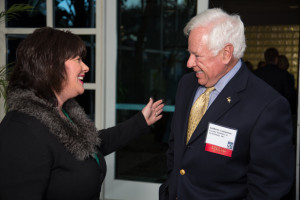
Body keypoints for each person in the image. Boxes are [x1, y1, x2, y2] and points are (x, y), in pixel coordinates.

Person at [0, 27, 164, 200]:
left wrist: (140, 122)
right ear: (50, 65)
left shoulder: (63, 113)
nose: (86, 67)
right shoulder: (20, 131)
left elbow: (92, 146)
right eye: (78, 59)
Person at [159, 8, 295, 200]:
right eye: (189, 53)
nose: (189, 63)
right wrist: (170, 188)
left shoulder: (268, 106)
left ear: (226, 53)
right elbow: (176, 147)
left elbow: (269, 188)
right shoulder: (186, 85)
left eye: (197, 56)